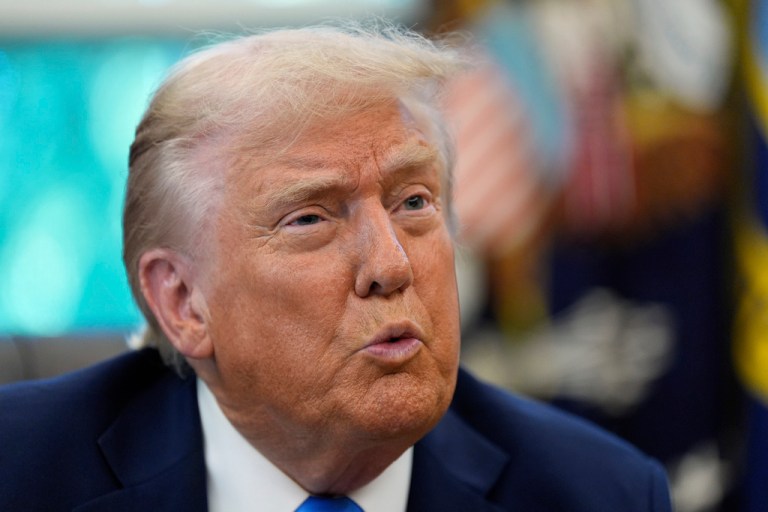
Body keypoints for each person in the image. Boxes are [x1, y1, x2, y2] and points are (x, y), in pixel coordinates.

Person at [0, 23, 672, 511]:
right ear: (182, 302)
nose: (391, 265)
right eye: (310, 219)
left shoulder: (599, 493)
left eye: (414, 202)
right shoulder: (20, 472)